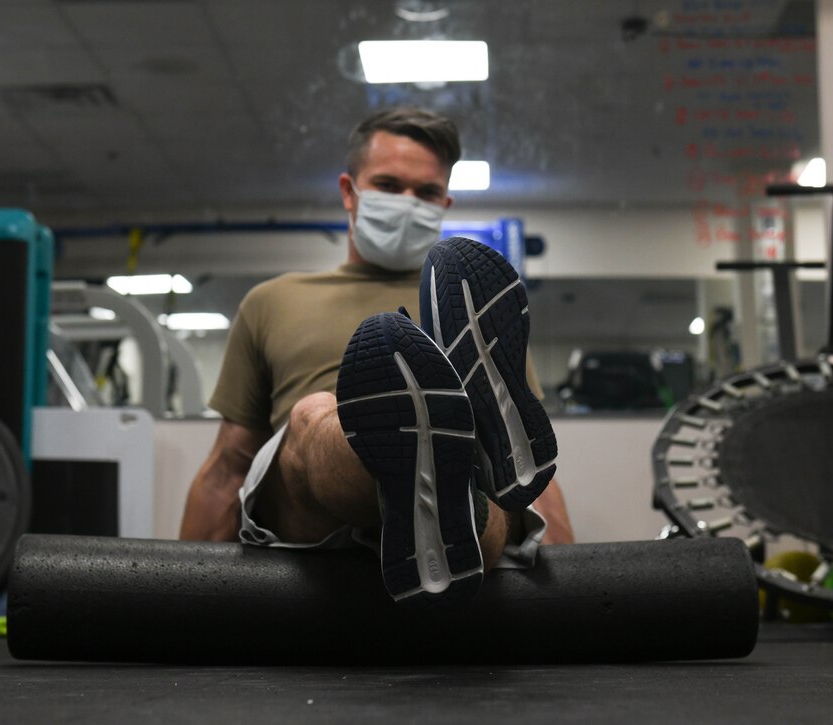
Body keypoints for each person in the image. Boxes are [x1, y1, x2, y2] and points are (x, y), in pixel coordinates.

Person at [179, 107, 573, 605]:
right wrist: (181, 592)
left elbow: (530, 469)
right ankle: (425, 459)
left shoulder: (472, 301)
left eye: (426, 193)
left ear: (444, 202)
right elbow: (229, 465)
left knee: (485, 477)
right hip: (315, 520)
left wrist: (571, 598)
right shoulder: (273, 300)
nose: (407, 202)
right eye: (388, 185)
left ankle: (442, 480)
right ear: (350, 191)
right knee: (314, 415)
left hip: (466, 533)